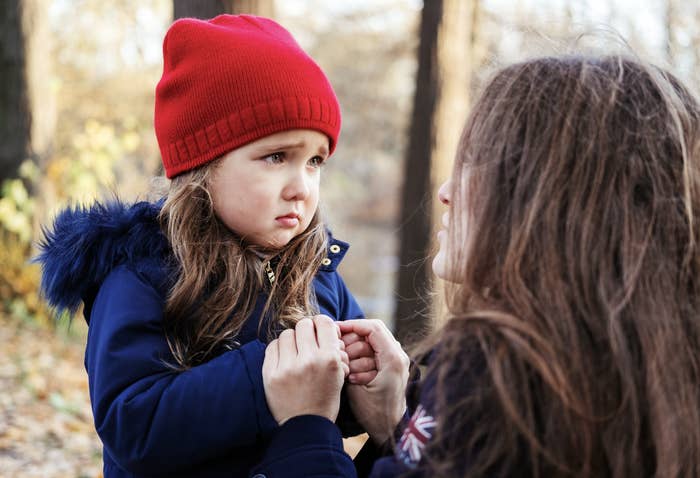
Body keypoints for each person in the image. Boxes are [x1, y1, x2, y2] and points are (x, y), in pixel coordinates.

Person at [250, 53, 700, 477]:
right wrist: (399, 427)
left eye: (477, 163)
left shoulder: (499, 375)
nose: (445, 190)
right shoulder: (639, 374)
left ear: (550, 202)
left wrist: (305, 427)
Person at [36, 14, 375, 477]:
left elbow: (331, 411)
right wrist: (264, 384)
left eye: (315, 161)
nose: (302, 187)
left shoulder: (318, 274)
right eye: (276, 157)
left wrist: (363, 379)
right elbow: (132, 425)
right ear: (203, 164)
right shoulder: (143, 275)